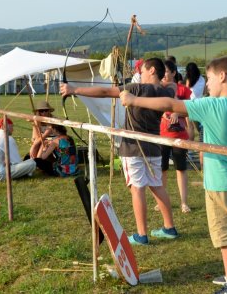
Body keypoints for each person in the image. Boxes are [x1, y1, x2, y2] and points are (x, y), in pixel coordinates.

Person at [120, 56, 227, 294]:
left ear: (221, 76)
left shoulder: (212, 105)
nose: (207, 84)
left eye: (210, 78)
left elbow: (170, 105)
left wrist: (133, 99)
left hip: (221, 183)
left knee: (226, 234)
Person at [61, 57, 179, 246]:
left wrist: (74, 90)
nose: (139, 72)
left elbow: (105, 91)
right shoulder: (166, 91)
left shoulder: (135, 89)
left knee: (137, 188)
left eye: (143, 69)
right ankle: (169, 227)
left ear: (151, 71)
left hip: (133, 147)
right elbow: (172, 86)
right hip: (154, 146)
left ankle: (142, 234)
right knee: (157, 185)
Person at [155, 59, 192, 213]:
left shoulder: (183, 91)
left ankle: (184, 202)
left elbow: (190, 109)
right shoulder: (156, 90)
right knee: (162, 168)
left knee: (180, 169)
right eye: (161, 71)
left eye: (166, 71)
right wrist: (162, 113)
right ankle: (161, 201)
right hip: (161, 134)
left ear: (174, 73)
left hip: (179, 135)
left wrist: (178, 112)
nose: (163, 75)